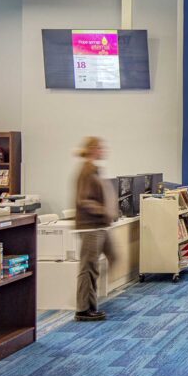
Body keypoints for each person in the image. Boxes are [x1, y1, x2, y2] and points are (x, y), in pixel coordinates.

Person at [73, 136, 118, 322]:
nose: (103, 150)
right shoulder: (87, 171)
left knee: (112, 257)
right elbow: (83, 200)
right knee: (89, 267)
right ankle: (83, 309)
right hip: (91, 225)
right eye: (100, 147)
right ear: (92, 149)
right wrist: (104, 211)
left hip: (100, 224)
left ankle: (91, 301)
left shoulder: (95, 170)